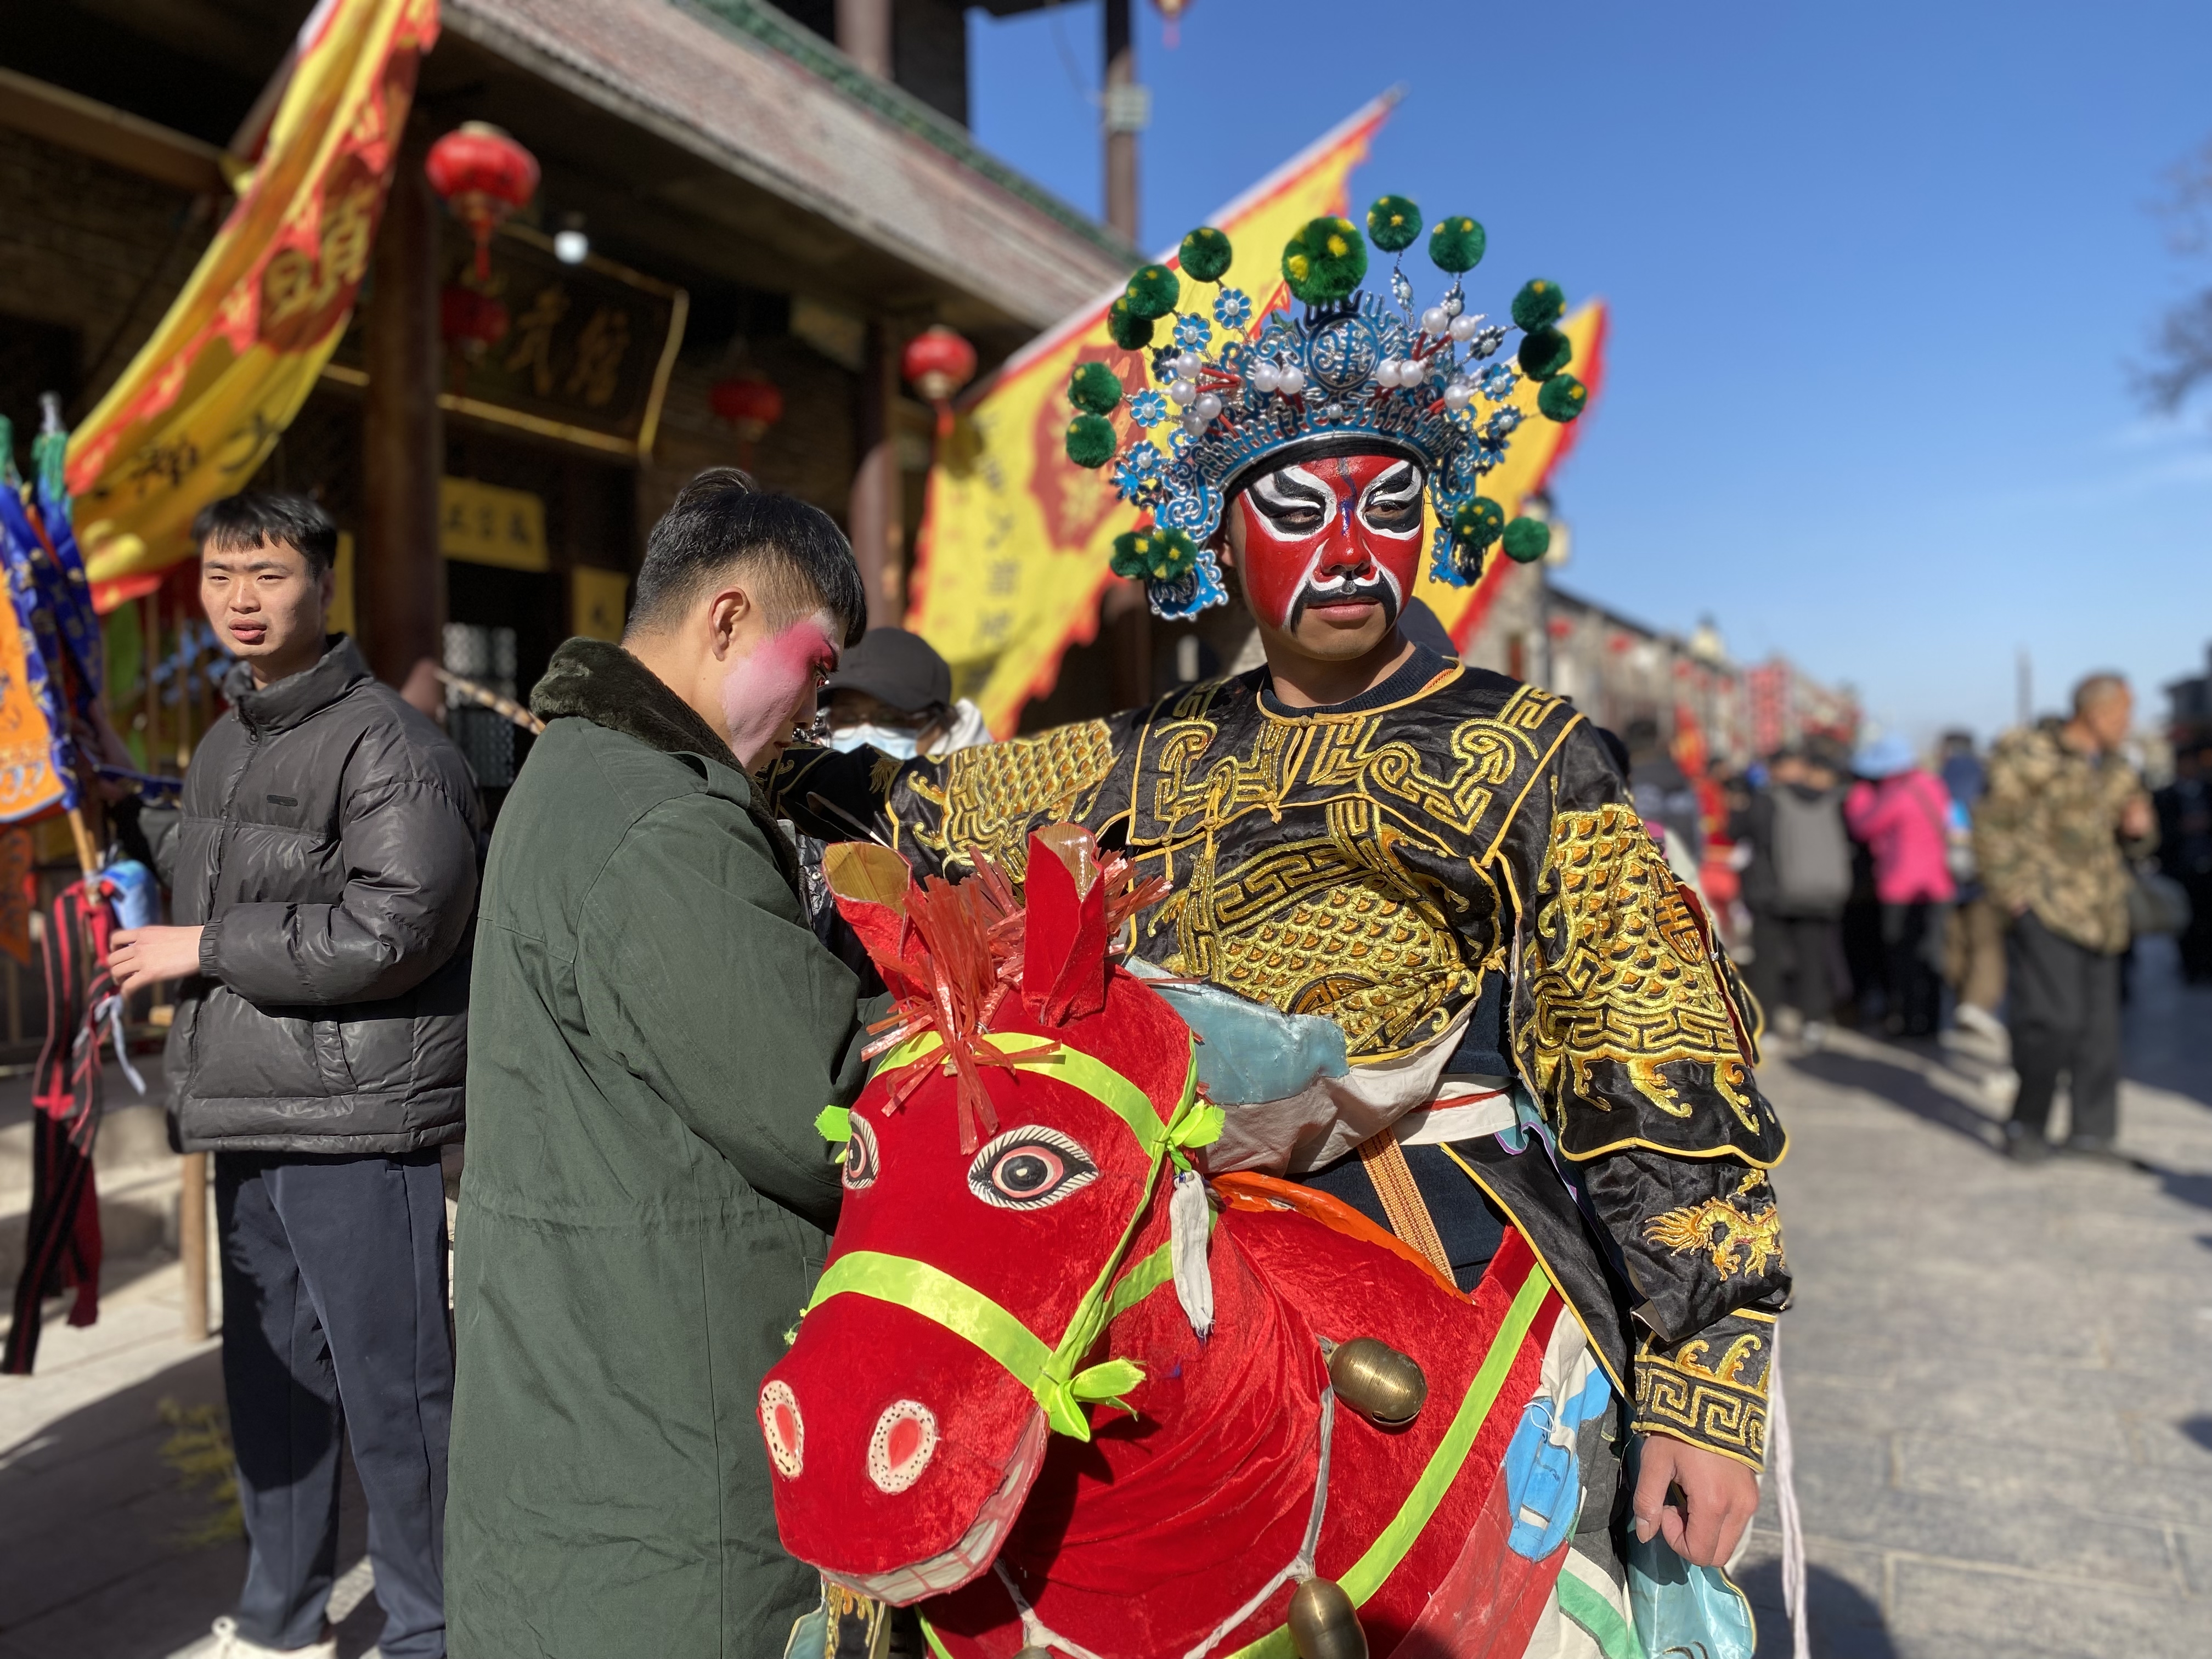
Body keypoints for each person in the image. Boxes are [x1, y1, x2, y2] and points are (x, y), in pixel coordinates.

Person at [776, 211, 1788, 1648]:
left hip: (1433, 1228)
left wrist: (1704, 1383)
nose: (1349, 550)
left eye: (1385, 505)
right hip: (1172, 1220)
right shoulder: (1148, 748)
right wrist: (747, 748)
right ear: (1229, 536)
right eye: (1299, 512)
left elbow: (1660, 1057)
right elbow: (928, 814)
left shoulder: (1524, 749)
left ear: (1436, 516)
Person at [444, 469, 883, 1658]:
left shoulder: (589, 767)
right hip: (664, 1458)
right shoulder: (659, 824)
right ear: (730, 617)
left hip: (595, 1405)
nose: (815, 717)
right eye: (818, 671)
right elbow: (828, 1111)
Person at [109, 494, 481, 1659]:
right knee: (271, 1386)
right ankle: (279, 1621)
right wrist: (131, 819)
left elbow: (397, 924)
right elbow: (236, 865)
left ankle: (430, 1630)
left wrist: (202, 949)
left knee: (398, 1396)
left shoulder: (391, 742)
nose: (240, 597)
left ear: (324, 583)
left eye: (266, 573)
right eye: (222, 573)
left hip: (357, 1118)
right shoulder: (229, 739)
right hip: (248, 1107)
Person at [1976, 673, 2156, 1161]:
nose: (2129, 723)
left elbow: (2139, 839)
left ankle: (2091, 1133)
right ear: (2096, 713)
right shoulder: (2029, 755)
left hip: (2104, 914)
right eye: (2124, 712)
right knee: (2051, 1021)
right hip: (2048, 910)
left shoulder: (2118, 767)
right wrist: (2015, 896)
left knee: (2099, 1030)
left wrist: (2139, 829)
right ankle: (2026, 1124)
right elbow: (1992, 826)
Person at [1737, 746, 1852, 1049]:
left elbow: (1745, 833)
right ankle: (1813, 1022)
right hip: (1815, 891)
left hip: (1770, 893)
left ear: (1776, 768)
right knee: (1813, 959)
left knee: (1767, 963)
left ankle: (1767, 1027)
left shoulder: (1766, 799)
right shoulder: (1828, 798)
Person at [1844, 734, 1956, 1037]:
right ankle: (1932, 1023)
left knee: (1902, 957)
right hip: (1938, 886)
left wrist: (1860, 797)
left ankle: (1908, 1021)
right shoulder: (1934, 786)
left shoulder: (1895, 794)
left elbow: (1864, 827)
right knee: (1932, 956)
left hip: (1900, 888)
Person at [817, 625, 992, 760]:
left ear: (941, 725)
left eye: (889, 719)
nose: (866, 738)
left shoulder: (992, 796)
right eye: (847, 718)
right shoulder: (816, 793)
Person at [1937, 730, 2007, 1044]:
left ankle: (1961, 1000)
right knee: (1986, 943)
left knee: (1955, 941)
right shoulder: (1985, 774)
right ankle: (1977, 1003)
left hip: (1945, 873)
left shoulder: (1941, 777)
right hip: (1983, 871)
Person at [2155, 744, 2212, 981]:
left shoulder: (2208, 792)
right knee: (2184, 923)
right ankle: (2191, 967)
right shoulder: (2164, 796)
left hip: (2208, 867)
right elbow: (2159, 835)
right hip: (2181, 869)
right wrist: (2182, 829)